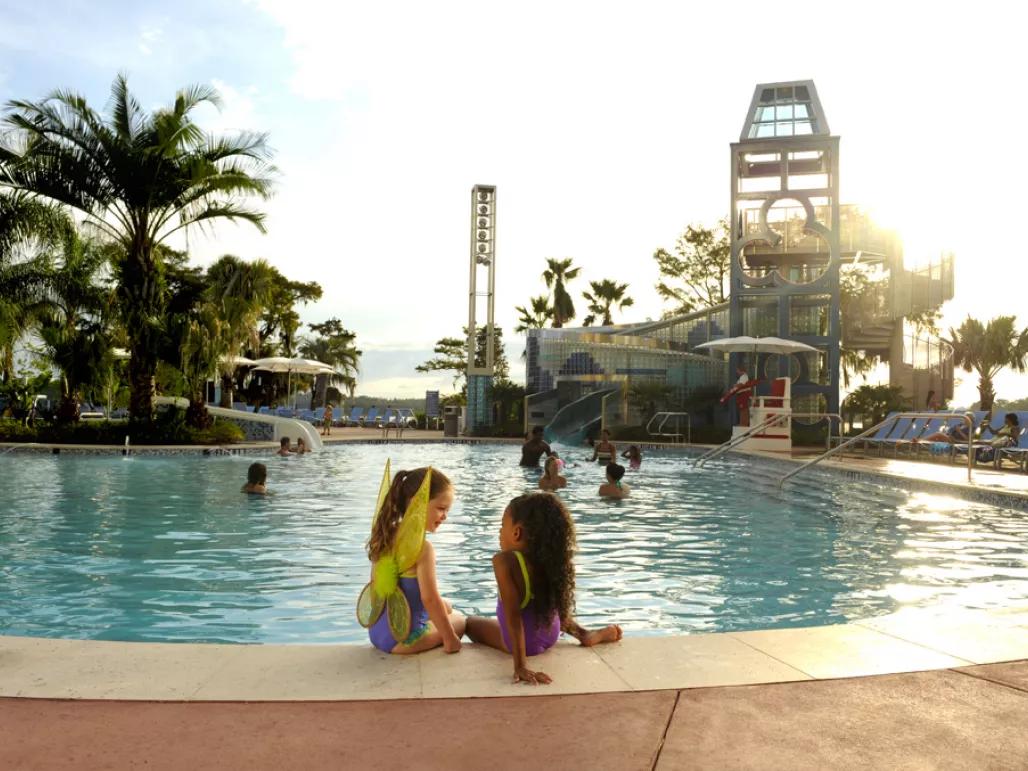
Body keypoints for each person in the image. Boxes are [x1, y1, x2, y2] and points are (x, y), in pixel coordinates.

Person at [465, 493, 622, 684]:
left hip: (526, 645)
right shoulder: (550, 560)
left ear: (516, 533)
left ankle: (577, 636)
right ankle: (583, 634)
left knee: (470, 623)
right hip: (551, 634)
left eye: (502, 525)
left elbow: (512, 616)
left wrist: (520, 666)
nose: (499, 531)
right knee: (543, 605)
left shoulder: (504, 561)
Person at [357, 464, 465, 654]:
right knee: (460, 619)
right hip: (403, 641)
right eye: (441, 508)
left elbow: (375, 590)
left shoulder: (384, 535)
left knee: (446, 606)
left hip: (377, 634)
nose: (445, 517)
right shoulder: (423, 549)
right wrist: (450, 639)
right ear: (418, 502)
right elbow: (429, 599)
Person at [721, 363, 754, 427]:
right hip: (741, 396)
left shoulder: (744, 377)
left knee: (744, 409)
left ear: (741, 370)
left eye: (737, 370)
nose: (737, 372)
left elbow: (740, 385)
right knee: (742, 409)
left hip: (744, 396)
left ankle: (744, 424)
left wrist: (735, 386)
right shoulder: (742, 377)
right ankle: (742, 423)